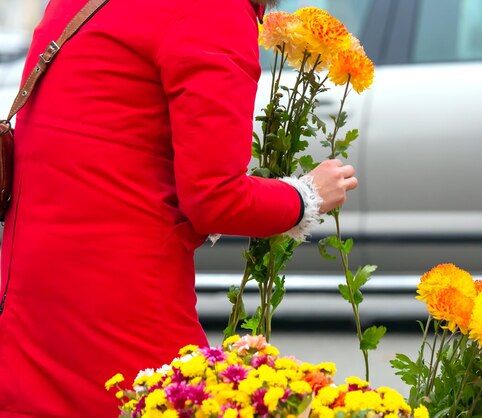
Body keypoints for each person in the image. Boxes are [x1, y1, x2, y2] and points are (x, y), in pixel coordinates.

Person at [0, 0, 358, 416]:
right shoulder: (211, 11)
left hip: (32, 286)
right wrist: (306, 195)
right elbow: (216, 197)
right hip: (122, 297)